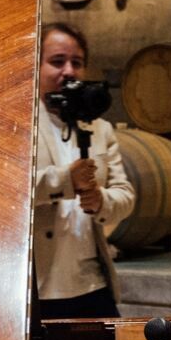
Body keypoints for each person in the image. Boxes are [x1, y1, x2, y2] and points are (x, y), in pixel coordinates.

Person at [30, 22, 133, 320]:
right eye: (57, 61)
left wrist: (101, 201)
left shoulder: (100, 128)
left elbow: (125, 195)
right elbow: (9, 192)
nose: (69, 71)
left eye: (77, 63)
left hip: (93, 284)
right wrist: (65, 180)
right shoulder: (22, 123)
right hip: (40, 289)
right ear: (36, 65)